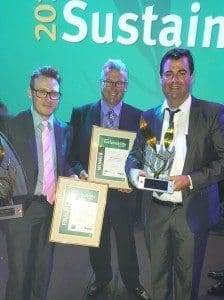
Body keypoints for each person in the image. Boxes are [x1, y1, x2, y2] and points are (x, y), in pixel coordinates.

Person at [125, 48, 224, 300]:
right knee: (157, 277)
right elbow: (135, 154)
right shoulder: (148, 116)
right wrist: (133, 170)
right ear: (160, 78)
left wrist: (189, 179)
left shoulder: (211, 113)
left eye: (181, 73)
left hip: (190, 210)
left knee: (186, 280)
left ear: (192, 76)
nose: (174, 80)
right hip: (155, 211)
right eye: (168, 74)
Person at [69, 59, 150, 300]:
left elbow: (148, 153)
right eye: (109, 81)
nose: (114, 87)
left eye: (120, 82)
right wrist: (80, 171)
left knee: (127, 243)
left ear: (126, 86)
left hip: (123, 193)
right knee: (96, 241)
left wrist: (133, 178)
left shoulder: (140, 117)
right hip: (91, 192)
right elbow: (71, 154)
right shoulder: (80, 113)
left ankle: (132, 282)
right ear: (100, 83)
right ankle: (102, 279)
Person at [3, 66, 75, 300]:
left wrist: (74, 175)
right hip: (21, 212)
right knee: (20, 273)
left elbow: (63, 164)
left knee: (42, 273)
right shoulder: (12, 126)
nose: (48, 98)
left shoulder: (65, 129)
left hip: (52, 211)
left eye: (54, 93)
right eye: (42, 92)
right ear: (30, 93)